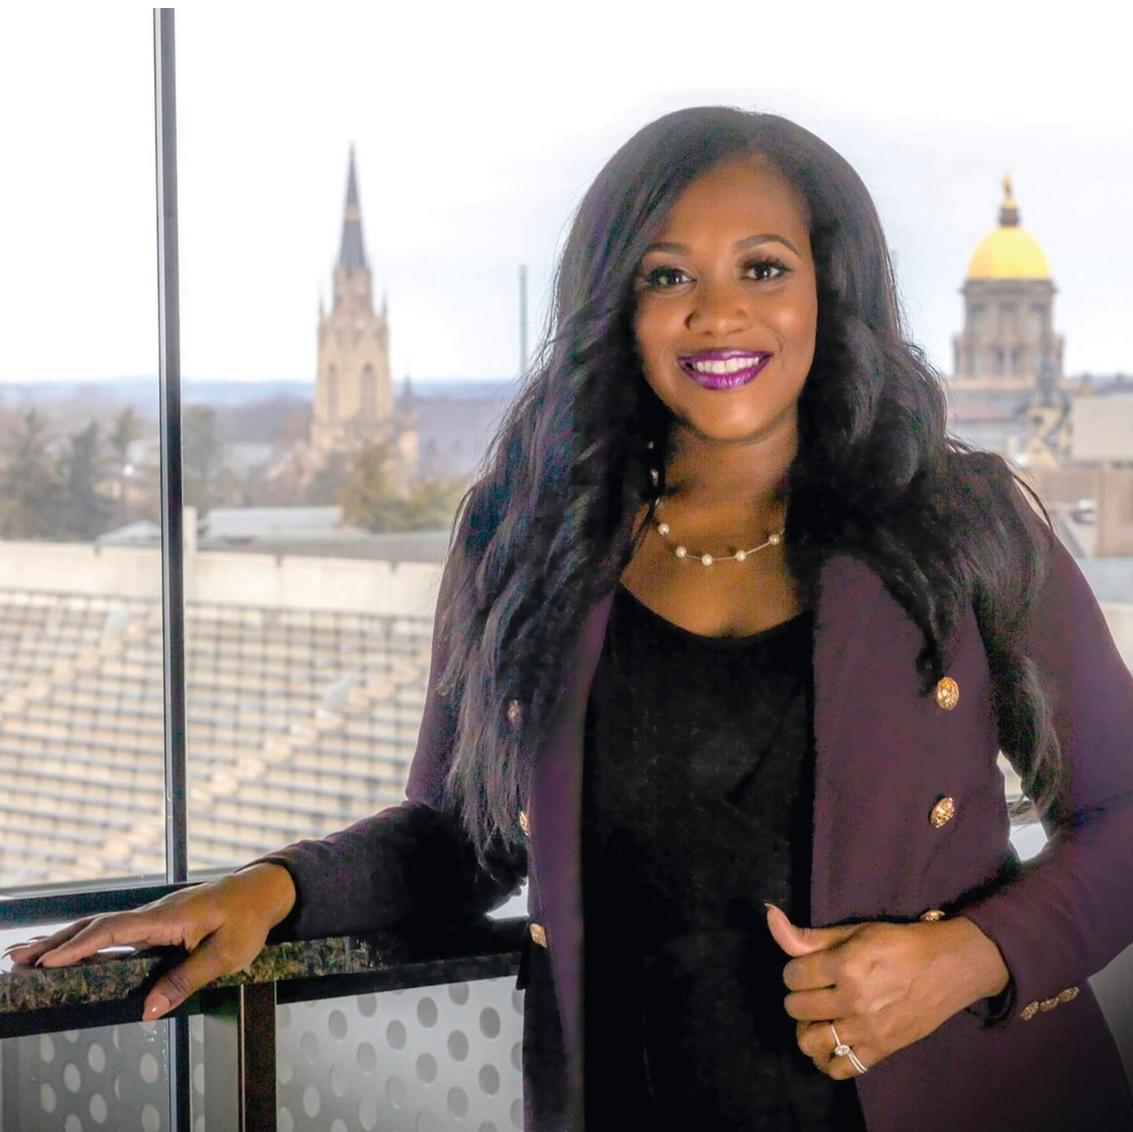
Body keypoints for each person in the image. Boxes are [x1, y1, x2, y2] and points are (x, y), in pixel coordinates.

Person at [9, 107, 1133, 1131]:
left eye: (762, 268)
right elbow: (466, 835)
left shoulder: (958, 519)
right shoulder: (523, 533)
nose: (716, 312)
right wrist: (274, 889)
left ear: (828, 291)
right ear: (617, 307)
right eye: (665, 275)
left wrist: (969, 956)